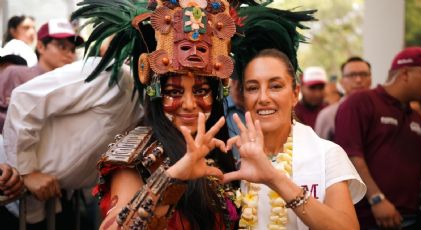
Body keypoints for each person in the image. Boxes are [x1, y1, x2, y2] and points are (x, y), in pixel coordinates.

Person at [71, 0, 242, 228]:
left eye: (201, 91)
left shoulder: (219, 149)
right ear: (157, 94)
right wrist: (172, 178)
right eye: (174, 92)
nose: (189, 104)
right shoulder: (137, 158)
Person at [224, 48, 365, 229]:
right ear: (243, 97)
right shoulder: (237, 156)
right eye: (253, 88)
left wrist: (275, 179)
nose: (263, 98)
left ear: (294, 93)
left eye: (275, 86)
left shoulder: (328, 154)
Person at [2, 56, 143, 228]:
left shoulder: (149, 101)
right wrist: (26, 172)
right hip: (14, 192)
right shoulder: (112, 74)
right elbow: (25, 99)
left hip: (56, 198)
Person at [334, 46, 421, 229]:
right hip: (369, 219)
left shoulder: (415, 116)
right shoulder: (361, 102)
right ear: (405, 74)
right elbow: (351, 156)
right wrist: (377, 199)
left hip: (411, 217)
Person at [0, 18, 83, 133]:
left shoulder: (74, 85)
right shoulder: (16, 74)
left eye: (73, 50)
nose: (69, 54)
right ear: (41, 47)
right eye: (62, 47)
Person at [315, 57, 372, 141]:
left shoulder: (381, 110)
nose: (358, 80)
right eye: (352, 75)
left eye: (363, 74)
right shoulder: (328, 115)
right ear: (342, 81)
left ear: (371, 79)